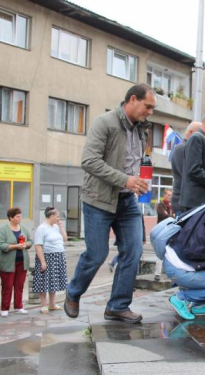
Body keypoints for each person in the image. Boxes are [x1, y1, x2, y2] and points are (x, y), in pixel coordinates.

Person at [65, 83, 155, 324]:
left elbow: (131, 161)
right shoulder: (104, 123)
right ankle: (73, 293)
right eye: (148, 106)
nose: (150, 112)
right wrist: (125, 179)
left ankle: (117, 306)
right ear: (132, 100)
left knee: (133, 252)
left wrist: (137, 182)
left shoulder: (141, 130)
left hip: (127, 201)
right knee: (97, 254)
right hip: (99, 200)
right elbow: (89, 161)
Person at [0, 207, 33, 317]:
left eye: (20, 216)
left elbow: (30, 241)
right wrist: (15, 246)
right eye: (17, 216)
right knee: (7, 285)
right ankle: (5, 308)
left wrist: (26, 245)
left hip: (22, 261)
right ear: (11, 218)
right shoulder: (4, 230)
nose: (20, 218)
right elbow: (0, 244)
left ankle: (19, 306)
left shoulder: (23, 228)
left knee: (19, 285)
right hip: (8, 263)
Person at [33, 207, 68, 314]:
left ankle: (52, 304)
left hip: (58, 255)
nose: (58, 218)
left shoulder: (56, 227)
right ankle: (44, 305)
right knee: (44, 280)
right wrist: (43, 261)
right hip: (47, 256)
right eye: (57, 216)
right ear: (51, 216)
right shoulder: (42, 228)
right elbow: (38, 245)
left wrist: (61, 227)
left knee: (54, 280)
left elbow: (65, 238)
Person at [170, 122, 202, 217]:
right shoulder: (182, 148)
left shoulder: (190, 148)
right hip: (184, 205)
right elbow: (188, 175)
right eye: (200, 133)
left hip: (190, 204)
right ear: (191, 132)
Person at [154, 189, 174, 281]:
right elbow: (162, 215)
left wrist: (170, 215)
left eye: (171, 195)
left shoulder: (172, 206)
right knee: (160, 252)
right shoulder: (161, 205)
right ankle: (157, 274)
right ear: (165, 195)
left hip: (170, 231)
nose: (170, 197)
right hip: (162, 232)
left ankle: (168, 272)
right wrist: (172, 216)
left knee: (170, 252)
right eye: (169, 195)